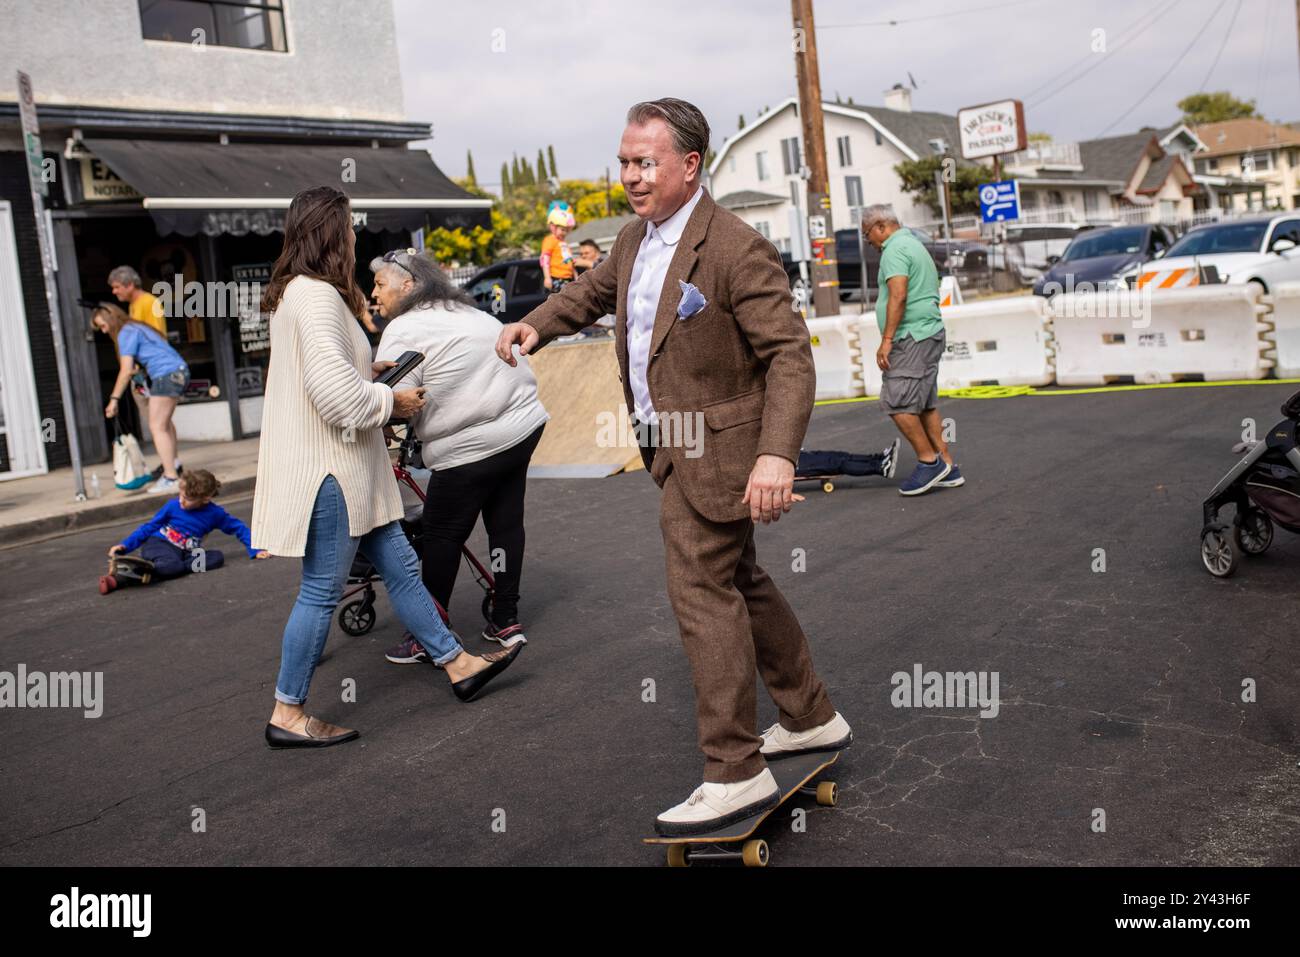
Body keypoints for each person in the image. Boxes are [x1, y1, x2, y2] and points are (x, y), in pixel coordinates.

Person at [496, 98, 851, 837]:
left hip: (722, 452)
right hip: (669, 448)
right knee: (741, 582)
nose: (628, 174)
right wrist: (537, 323)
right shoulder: (633, 240)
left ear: (689, 165)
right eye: (624, 161)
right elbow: (587, 294)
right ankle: (810, 713)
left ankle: (735, 769)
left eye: (644, 161)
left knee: (701, 590)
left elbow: (789, 356)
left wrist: (777, 454)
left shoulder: (733, 245)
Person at [252, 186, 521, 751]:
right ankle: (288, 710)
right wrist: (389, 401)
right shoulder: (320, 298)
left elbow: (320, 377)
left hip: (348, 472)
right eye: (349, 227)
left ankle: (458, 664)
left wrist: (365, 368)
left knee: (401, 567)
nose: (354, 236)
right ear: (332, 232)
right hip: (334, 473)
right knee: (321, 593)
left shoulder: (298, 295)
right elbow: (333, 397)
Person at [370, 248, 549, 654]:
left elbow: (395, 400)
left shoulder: (403, 329)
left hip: (470, 443)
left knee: (442, 534)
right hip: (522, 428)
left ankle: (427, 634)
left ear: (409, 285)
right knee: (505, 523)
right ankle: (506, 619)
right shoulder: (468, 311)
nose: (373, 294)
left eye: (380, 284)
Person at [862, 205, 966, 495]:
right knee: (924, 404)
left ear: (881, 226)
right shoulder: (914, 244)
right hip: (928, 333)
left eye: (867, 234)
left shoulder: (894, 250)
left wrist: (887, 339)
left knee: (896, 403)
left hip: (912, 337)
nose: (868, 241)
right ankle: (947, 465)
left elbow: (899, 294)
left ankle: (928, 462)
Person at [102, 469, 269, 594]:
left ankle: (154, 569)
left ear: (205, 498)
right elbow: (149, 527)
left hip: (186, 553)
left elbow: (238, 528)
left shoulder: (214, 514)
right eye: (180, 495)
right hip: (160, 544)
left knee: (216, 558)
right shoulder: (172, 506)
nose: (181, 501)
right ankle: (122, 578)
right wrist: (125, 546)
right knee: (172, 565)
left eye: (187, 498)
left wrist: (255, 549)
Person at [93, 303, 188, 493]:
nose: (103, 331)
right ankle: (174, 466)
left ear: (111, 319)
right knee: (165, 424)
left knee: (157, 426)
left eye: (102, 326)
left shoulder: (125, 333)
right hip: (178, 371)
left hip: (166, 375)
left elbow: (125, 370)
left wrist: (113, 399)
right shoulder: (137, 327)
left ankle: (170, 477)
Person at [109, 265, 167, 337]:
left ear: (130, 285)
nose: (114, 291)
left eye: (117, 287)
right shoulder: (133, 304)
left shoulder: (149, 302)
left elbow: (157, 337)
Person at [540, 204, 576, 294]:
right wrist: (547, 277)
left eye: (567, 230)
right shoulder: (550, 240)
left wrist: (576, 276)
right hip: (556, 278)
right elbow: (545, 259)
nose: (565, 233)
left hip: (568, 278)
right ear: (553, 227)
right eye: (562, 229)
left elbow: (569, 261)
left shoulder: (564, 243)